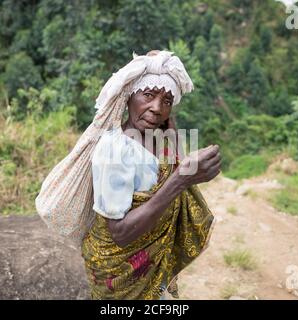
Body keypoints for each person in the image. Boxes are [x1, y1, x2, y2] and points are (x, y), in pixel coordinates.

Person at [81, 50, 221, 299]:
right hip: (120, 272)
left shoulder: (161, 138)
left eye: (167, 101)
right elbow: (120, 234)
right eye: (148, 95)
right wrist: (181, 180)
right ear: (128, 97)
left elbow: (172, 143)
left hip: (157, 266)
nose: (157, 108)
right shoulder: (115, 150)